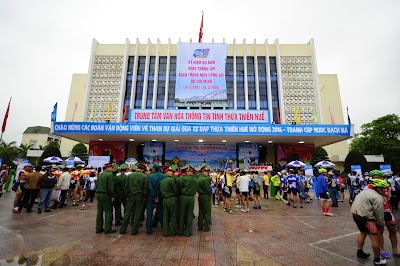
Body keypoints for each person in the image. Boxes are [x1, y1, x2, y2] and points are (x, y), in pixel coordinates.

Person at [351, 178, 388, 265]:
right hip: (366, 218)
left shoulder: (364, 191)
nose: (385, 191)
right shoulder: (378, 197)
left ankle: (359, 252)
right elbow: (379, 214)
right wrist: (381, 224)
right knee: (374, 238)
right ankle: (377, 260)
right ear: (379, 188)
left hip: (355, 215)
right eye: (384, 188)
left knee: (363, 232)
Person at [119, 163, 148, 235]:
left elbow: (126, 187)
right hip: (140, 196)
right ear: (143, 170)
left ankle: (123, 229)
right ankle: (134, 230)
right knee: (137, 213)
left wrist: (127, 196)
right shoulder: (144, 177)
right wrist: (144, 196)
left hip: (131, 196)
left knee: (127, 213)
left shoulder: (129, 176)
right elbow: (145, 189)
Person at [177, 165, 197, 236]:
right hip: (191, 198)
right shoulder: (195, 179)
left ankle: (180, 231)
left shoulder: (182, 179)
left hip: (183, 197)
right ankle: (188, 232)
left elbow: (178, 186)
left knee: (181, 214)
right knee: (189, 214)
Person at [95, 163, 115, 234]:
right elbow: (110, 187)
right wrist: (112, 195)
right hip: (106, 195)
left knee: (99, 212)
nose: (112, 169)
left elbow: (96, 185)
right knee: (108, 211)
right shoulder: (109, 175)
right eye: (111, 167)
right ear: (108, 168)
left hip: (99, 194)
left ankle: (98, 228)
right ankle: (108, 228)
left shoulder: (100, 175)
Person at [146, 164, 165, 234]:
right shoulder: (163, 176)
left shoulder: (150, 176)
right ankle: (164, 227)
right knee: (160, 212)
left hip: (151, 197)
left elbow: (150, 187)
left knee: (149, 213)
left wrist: (154, 196)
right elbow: (163, 187)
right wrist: (158, 196)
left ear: (153, 169)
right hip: (160, 197)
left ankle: (149, 229)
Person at [160, 167, 177, 237]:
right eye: (169, 171)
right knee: (173, 216)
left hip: (164, 199)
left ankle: (165, 232)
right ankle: (172, 232)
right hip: (171, 199)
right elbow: (175, 190)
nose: (171, 172)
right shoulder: (171, 180)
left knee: (165, 216)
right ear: (166, 172)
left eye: (171, 171)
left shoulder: (162, 181)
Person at [197, 167, 212, 231]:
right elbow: (208, 189)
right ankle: (206, 227)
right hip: (206, 196)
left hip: (200, 195)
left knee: (201, 211)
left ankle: (200, 226)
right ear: (202, 172)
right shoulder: (205, 179)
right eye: (206, 172)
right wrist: (210, 194)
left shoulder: (198, 179)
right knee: (207, 212)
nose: (207, 173)